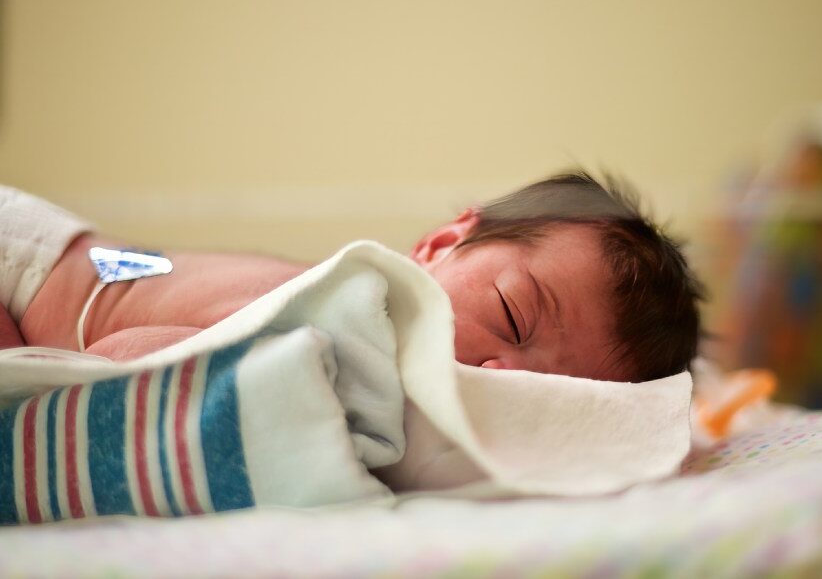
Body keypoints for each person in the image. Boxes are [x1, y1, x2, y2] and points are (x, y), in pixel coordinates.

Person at [2, 172, 703, 382]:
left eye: (544, 389)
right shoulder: (324, 314)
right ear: (440, 243)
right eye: (515, 316)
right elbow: (116, 361)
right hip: (24, 266)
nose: (504, 370)